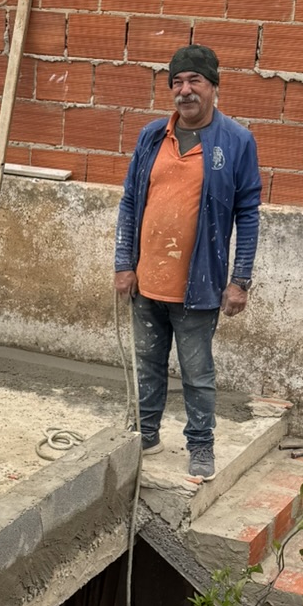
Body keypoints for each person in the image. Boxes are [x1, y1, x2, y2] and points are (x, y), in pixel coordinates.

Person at [113, 44, 261, 480]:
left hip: (198, 284)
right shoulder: (152, 136)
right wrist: (125, 264)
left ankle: (200, 446)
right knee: (147, 363)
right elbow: (128, 202)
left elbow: (248, 213)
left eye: (194, 80)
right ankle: (146, 435)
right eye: (177, 82)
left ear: (213, 86)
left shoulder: (236, 142)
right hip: (147, 279)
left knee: (197, 373)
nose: (185, 90)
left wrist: (240, 281)